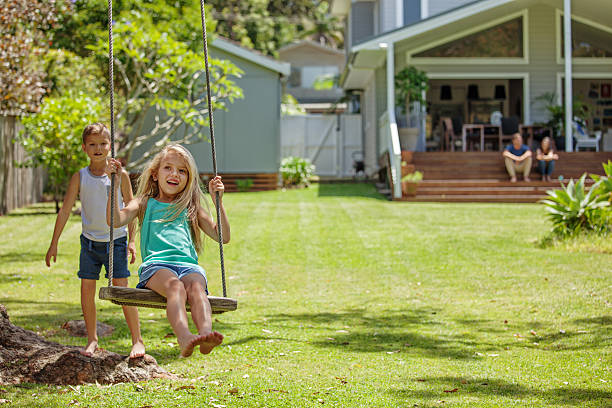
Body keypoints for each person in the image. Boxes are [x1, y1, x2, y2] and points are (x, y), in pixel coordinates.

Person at [105, 144, 228, 358]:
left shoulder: (190, 205)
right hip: (156, 267)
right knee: (176, 288)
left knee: (198, 290)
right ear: (154, 174)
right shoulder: (145, 202)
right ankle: (184, 337)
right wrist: (113, 185)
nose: (175, 174)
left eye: (182, 171)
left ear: (188, 179)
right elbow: (115, 220)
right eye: (168, 168)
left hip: (188, 266)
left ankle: (206, 334)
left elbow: (222, 237)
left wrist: (218, 202)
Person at [45, 123, 145, 358]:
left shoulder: (119, 175)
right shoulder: (79, 177)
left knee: (122, 291)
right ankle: (92, 339)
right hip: (89, 243)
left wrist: (131, 240)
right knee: (86, 290)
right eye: (92, 144)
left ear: (110, 146)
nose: (98, 148)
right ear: (84, 148)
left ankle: (137, 340)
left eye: (103, 144)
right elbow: (65, 211)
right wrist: (54, 243)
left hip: (116, 242)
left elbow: (131, 208)